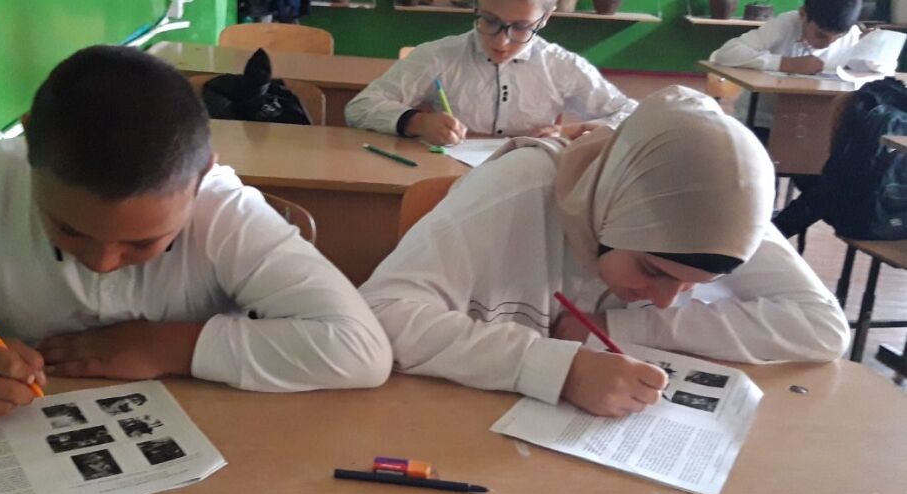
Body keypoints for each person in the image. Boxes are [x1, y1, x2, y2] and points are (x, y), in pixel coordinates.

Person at [0, 45, 391, 423]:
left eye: (143, 243)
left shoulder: (225, 213)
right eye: (68, 230)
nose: (102, 263)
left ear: (201, 176)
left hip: (205, 434)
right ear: (29, 150)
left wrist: (170, 347)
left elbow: (359, 348)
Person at [359, 86, 849, 418]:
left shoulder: (725, 201)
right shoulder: (521, 188)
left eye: (693, 286)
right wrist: (559, 369)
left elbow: (822, 327)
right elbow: (380, 315)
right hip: (461, 424)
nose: (665, 300)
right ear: (611, 210)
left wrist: (622, 328)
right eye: (652, 269)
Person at [344, 0, 637, 147]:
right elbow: (360, 107)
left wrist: (572, 132)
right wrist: (417, 122)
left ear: (545, 18)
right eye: (489, 20)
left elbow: (633, 115)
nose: (501, 42)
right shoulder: (439, 55)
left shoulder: (562, 65)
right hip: (450, 180)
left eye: (520, 27)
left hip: (526, 182)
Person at [709, 0, 895, 132]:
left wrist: (874, 54)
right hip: (764, 120)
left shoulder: (852, 34)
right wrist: (785, 63)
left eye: (837, 38)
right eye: (820, 35)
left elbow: (883, 73)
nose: (828, 44)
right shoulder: (786, 24)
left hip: (819, 124)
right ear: (803, 14)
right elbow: (726, 54)